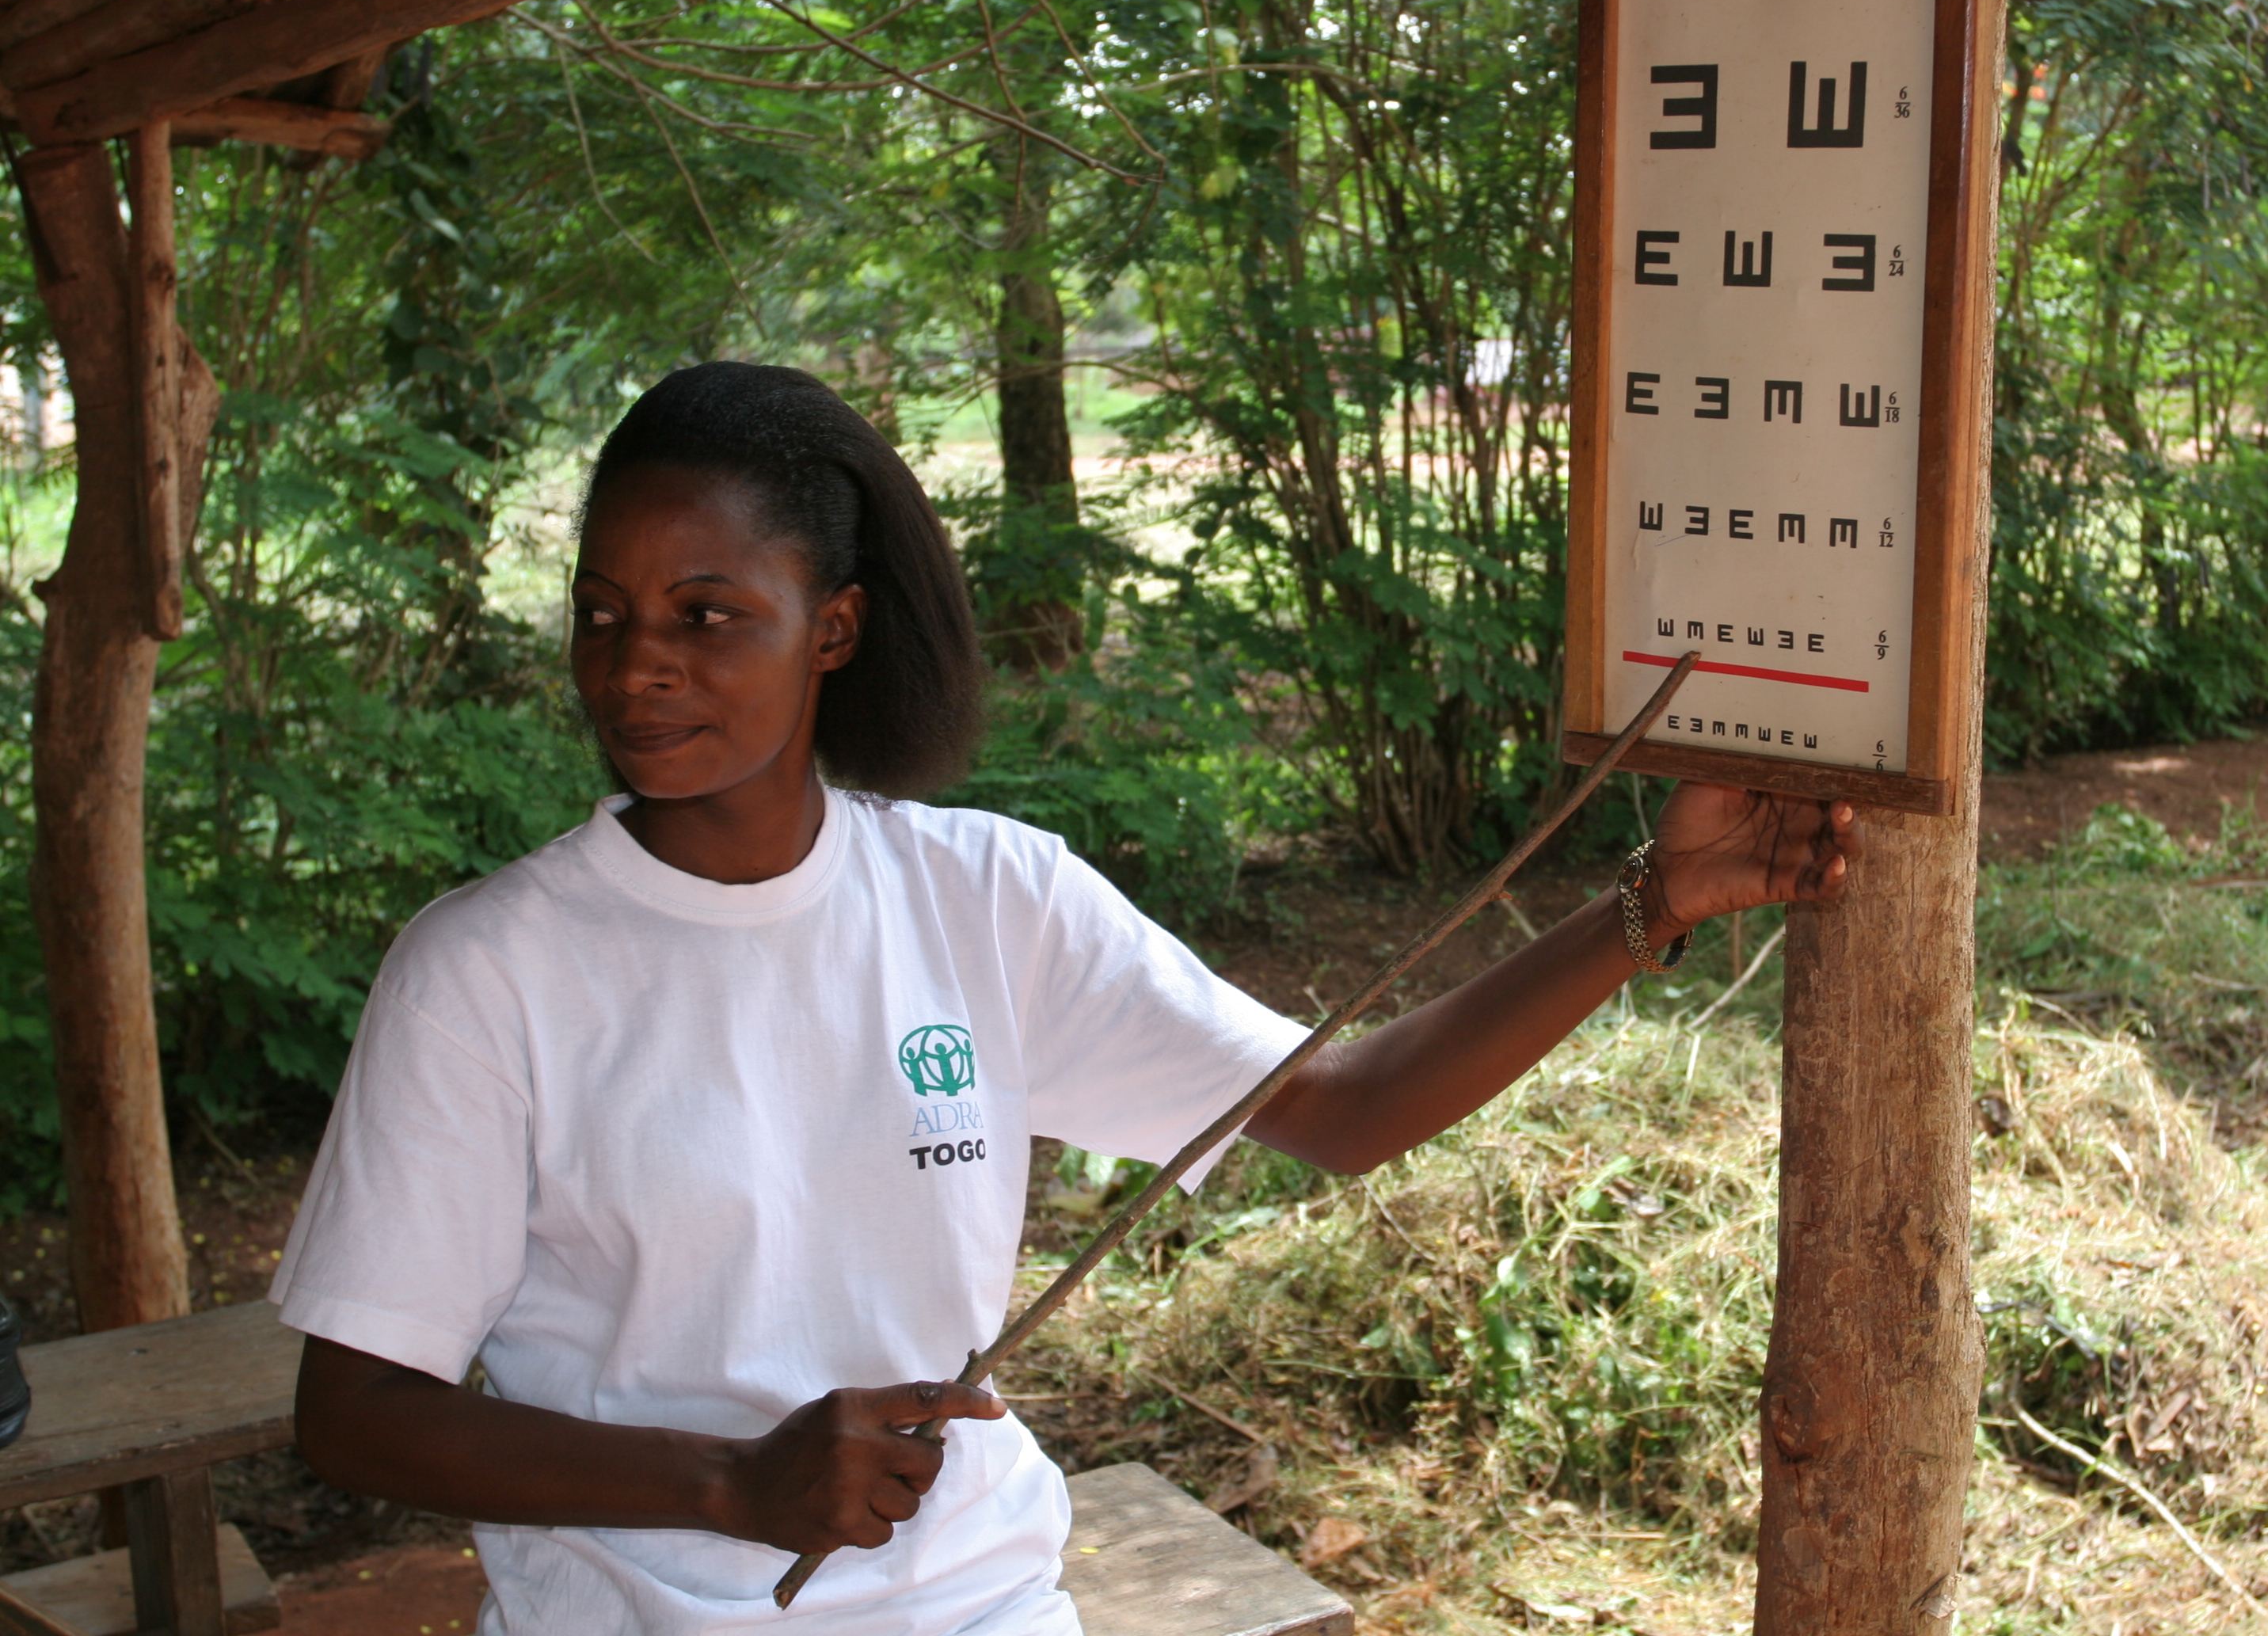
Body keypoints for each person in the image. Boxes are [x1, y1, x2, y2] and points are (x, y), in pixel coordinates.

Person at [276, 362, 1855, 1634]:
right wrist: (728, 1484)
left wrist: (1649, 904)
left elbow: (1341, 1107)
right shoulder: (489, 970)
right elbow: (353, 1412)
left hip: (977, 1603)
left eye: (707, 615)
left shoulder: (983, 896)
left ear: (832, 627)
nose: (639, 667)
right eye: (604, 615)